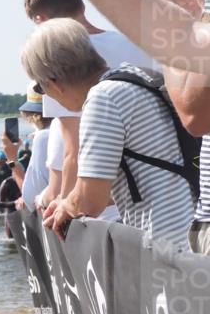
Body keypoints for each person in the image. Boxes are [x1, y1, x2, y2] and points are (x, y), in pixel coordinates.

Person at [21, 21, 196, 250]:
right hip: (193, 228)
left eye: (40, 88)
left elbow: (90, 200)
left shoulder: (103, 99)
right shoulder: (135, 77)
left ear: (54, 83)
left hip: (169, 245)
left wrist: (65, 205)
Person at [24, 0, 154, 213]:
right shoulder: (134, 43)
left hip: (104, 203)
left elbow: (72, 149)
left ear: (42, 20)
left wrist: (63, 207)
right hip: (156, 191)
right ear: (82, 5)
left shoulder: (56, 56)